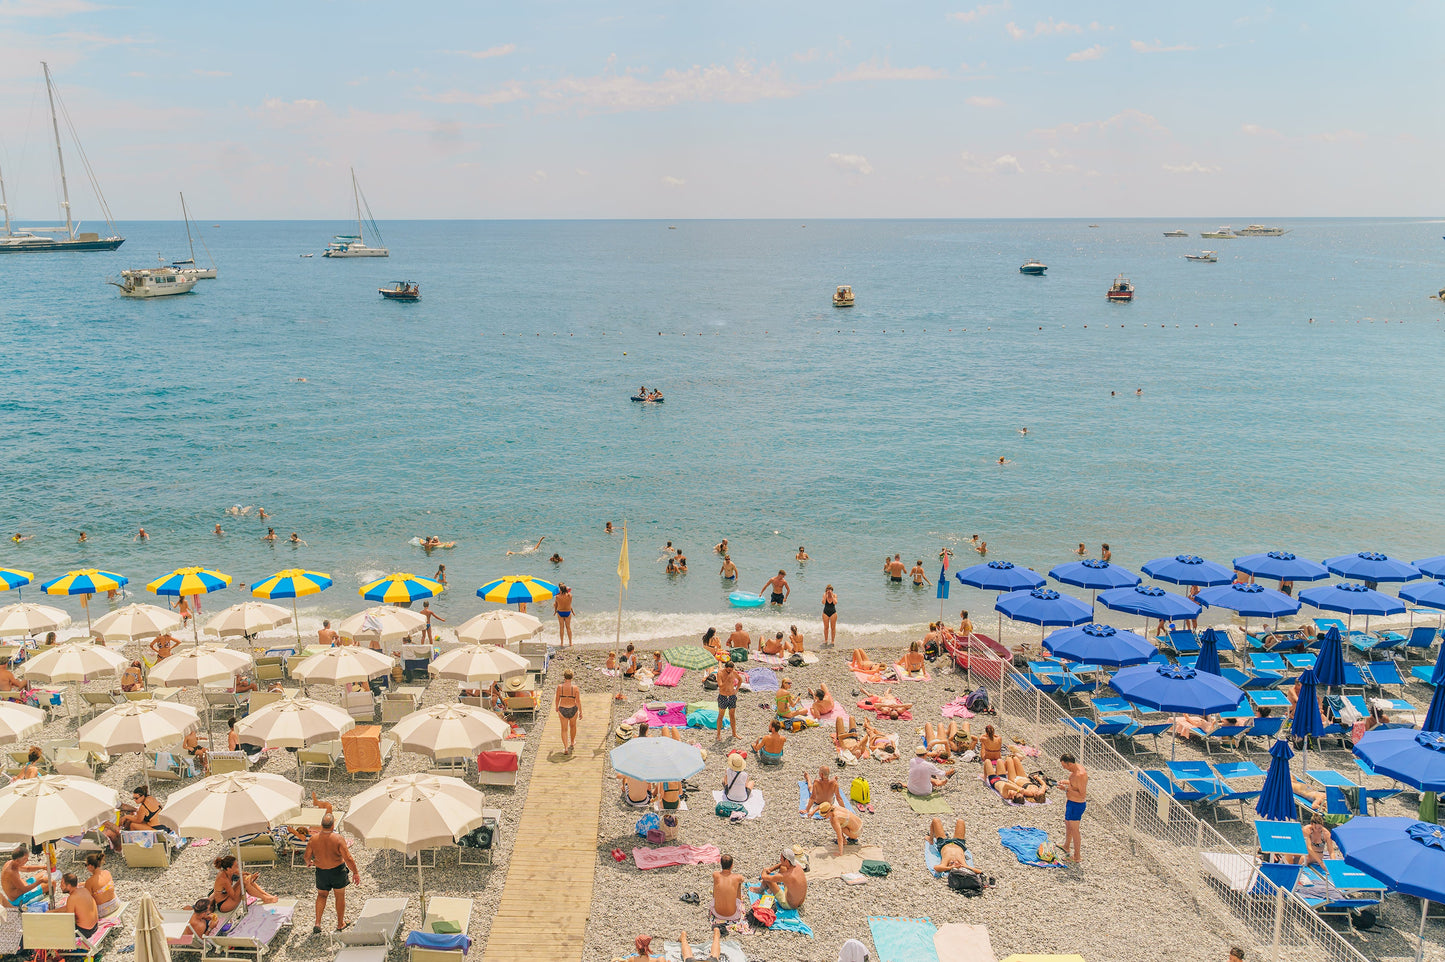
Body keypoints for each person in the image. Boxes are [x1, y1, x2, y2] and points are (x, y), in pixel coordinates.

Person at [305, 813, 359, 933]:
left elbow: (307, 856)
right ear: (333, 825)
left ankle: (317, 923)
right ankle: (340, 924)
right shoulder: (338, 838)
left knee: (321, 895)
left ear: (321, 825)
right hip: (337, 870)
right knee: (339, 896)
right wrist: (355, 872)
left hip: (321, 872)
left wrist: (309, 862)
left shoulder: (313, 839)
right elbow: (348, 858)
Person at [103, 785, 161, 849]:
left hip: (156, 829)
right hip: (161, 823)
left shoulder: (143, 807)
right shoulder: (151, 798)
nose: (135, 800)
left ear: (143, 796)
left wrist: (126, 817)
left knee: (133, 825)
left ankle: (133, 845)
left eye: (136, 798)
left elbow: (139, 820)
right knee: (132, 818)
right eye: (133, 798)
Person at [50, 873, 98, 939]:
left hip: (85, 932)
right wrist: (52, 911)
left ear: (69, 886)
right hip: (95, 926)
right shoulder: (84, 890)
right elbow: (69, 908)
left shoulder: (72, 898)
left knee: (54, 928)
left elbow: (68, 920)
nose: (60, 886)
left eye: (62, 884)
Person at [1060, 752, 1088, 864]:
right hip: (1071, 802)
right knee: (1068, 823)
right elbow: (1074, 784)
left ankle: (1077, 857)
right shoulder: (1075, 771)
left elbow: (1082, 794)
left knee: (1075, 830)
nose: (1064, 768)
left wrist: (1066, 789)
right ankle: (1066, 846)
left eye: (1065, 766)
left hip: (1077, 805)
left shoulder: (1080, 775)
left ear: (1070, 764)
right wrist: (1066, 782)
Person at [710, 853, 747, 924]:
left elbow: (716, 875)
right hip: (733, 915)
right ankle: (738, 902)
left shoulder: (715, 874)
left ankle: (718, 901)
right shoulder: (737, 877)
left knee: (717, 883)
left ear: (721, 864)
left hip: (717, 913)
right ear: (732, 865)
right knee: (738, 885)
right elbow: (742, 879)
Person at [555, 669, 581, 755]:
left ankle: (566, 747)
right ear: (572, 677)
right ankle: (572, 742)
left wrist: (556, 707)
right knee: (573, 726)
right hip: (573, 708)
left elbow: (557, 698)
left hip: (563, 708)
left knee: (564, 729)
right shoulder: (575, 688)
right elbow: (578, 701)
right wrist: (581, 711)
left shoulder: (560, 687)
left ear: (564, 677)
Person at [82, 853, 117, 918]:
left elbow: (88, 900)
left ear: (90, 866)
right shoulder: (107, 872)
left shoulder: (89, 881)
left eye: (86, 865)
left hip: (103, 911)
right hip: (115, 903)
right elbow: (100, 885)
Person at [716, 660, 741, 741]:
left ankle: (734, 733)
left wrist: (736, 689)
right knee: (721, 716)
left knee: (732, 715)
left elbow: (740, 680)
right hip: (723, 696)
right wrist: (727, 678)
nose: (730, 671)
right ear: (726, 667)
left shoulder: (733, 672)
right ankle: (718, 734)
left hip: (731, 696)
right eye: (729, 669)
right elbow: (720, 685)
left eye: (731, 669)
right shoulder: (720, 673)